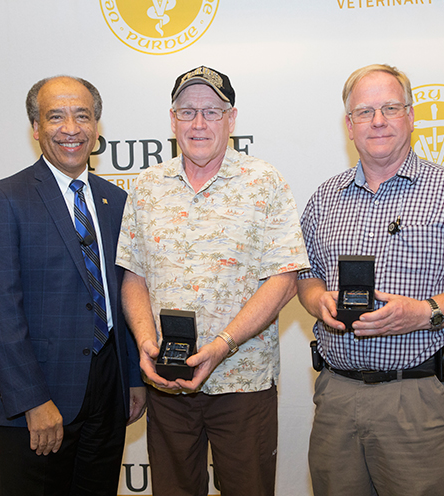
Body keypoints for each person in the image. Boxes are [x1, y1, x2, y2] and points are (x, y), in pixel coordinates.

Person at [297, 63, 444, 496]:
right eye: (364, 112)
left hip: (418, 400)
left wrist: (424, 313)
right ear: (349, 125)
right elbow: (305, 273)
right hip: (337, 396)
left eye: (390, 107)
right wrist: (315, 301)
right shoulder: (323, 198)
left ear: (411, 115)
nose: (378, 121)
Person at [116, 65, 309, 496]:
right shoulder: (147, 187)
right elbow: (133, 275)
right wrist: (147, 343)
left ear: (232, 119)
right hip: (168, 382)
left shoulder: (265, 182)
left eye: (211, 112)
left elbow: (284, 278)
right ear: (172, 120)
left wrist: (221, 345)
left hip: (243, 382)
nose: (198, 124)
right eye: (187, 112)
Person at [0, 75, 146, 496]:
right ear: (36, 128)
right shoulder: (5, 198)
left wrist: (132, 378)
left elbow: (123, 292)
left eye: (82, 115)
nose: (71, 128)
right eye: (55, 116)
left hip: (108, 390)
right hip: (42, 398)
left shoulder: (115, 201)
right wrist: (31, 401)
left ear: (97, 126)